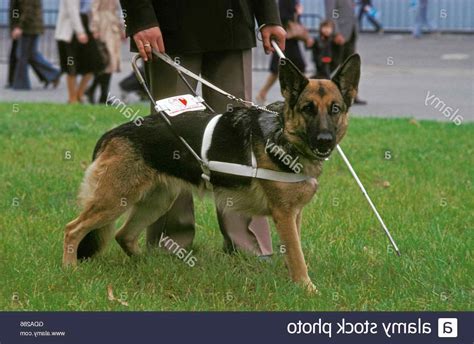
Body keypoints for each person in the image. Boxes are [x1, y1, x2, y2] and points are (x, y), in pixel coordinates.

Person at [120, 0, 286, 257]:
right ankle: (170, 244)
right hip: (167, 28)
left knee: (239, 135)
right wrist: (141, 18)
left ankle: (247, 245)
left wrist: (269, 15)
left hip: (233, 22)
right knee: (172, 137)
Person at [257, 0, 312, 104]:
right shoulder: (286, 1)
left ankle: (304, 94)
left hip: (291, 40)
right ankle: (262, 93)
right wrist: (297, 12)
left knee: (298, 66)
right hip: (285, 39)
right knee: (278, 68)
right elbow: (282, 17)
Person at [55, 0, 102, 103]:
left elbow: (91, 11)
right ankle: (72, 98)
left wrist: (94, 28)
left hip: (86, 28)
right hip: (70, 31)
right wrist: (80, 32)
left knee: (94, 63)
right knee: (71, 67)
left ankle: (79, 94)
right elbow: (72, 11)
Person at [11, 0, 60, 90]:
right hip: (31, 25)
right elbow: (18, 9)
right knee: (30, 54)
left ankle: (21, 85)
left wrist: (19, 26)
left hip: (29, 26)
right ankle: (53, 74)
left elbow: (28, 10)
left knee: (23, 55)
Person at [325, 0, 366, 104]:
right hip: (340, 35)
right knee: (331, 66)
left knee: (351, 67)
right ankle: (316, 89)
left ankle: (352, 95)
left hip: (350, 34)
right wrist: (336, 33)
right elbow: (331, 13)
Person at [86, 0, 124, 104]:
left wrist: (122, 28)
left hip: (112, 26)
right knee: (105, 61)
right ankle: (98, 93)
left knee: (111, 63)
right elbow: (94, 9)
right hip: (103, 26)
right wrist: (95, 27)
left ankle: (100, 93)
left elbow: (119, 10)